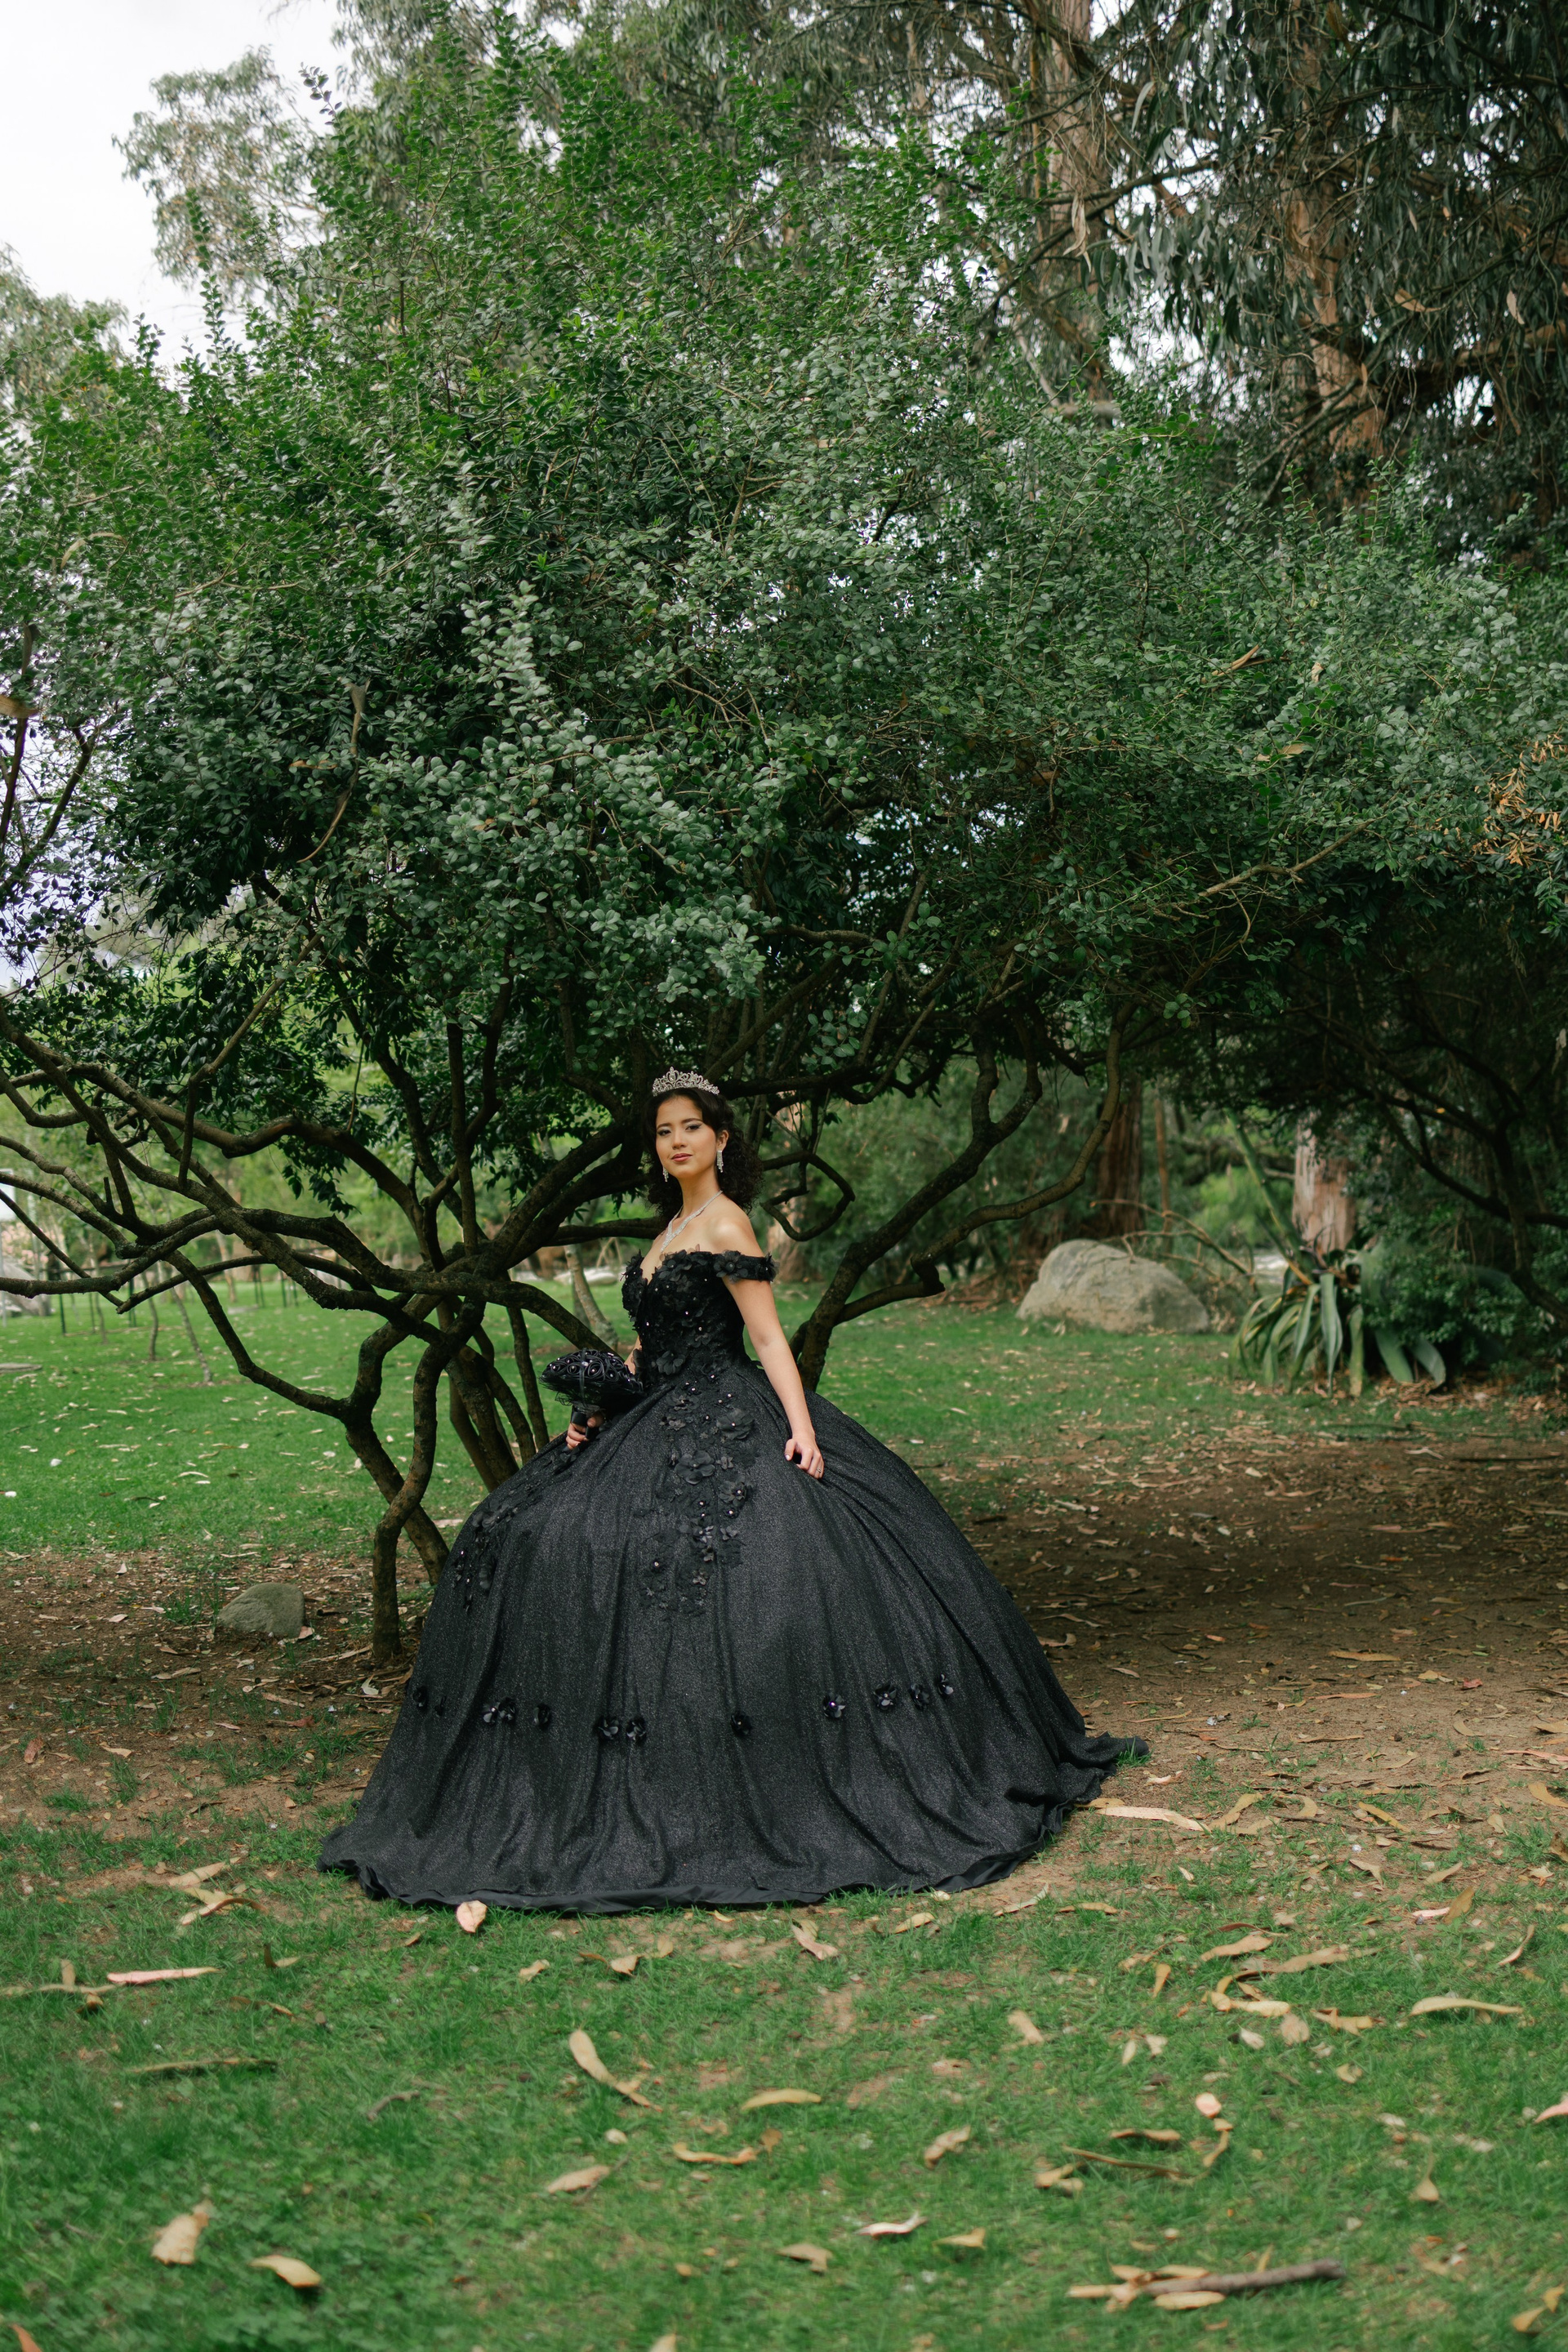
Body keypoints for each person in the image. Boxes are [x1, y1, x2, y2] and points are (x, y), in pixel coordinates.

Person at [319, 1071, 1142, 1913]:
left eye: (691, 1127)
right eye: (664, 1130)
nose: (676, 1141)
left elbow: (767, 1337)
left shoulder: (725, 1220)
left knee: (730, 1565)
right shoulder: (667, 1230)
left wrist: (804, 1429)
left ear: (719, 1139)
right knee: (534, 1530)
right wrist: (598, 1408)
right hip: (652, 1414)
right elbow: (646, 1348)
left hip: (726, 1411)